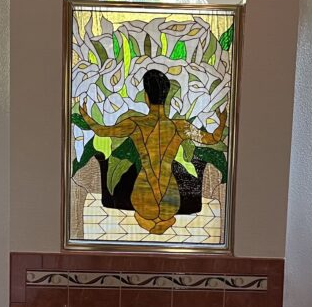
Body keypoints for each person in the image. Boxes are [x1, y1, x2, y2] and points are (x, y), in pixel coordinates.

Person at [80, 67, 227, 235]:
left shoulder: (135, 124)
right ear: (166, 97)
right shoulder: (180, 126)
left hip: (143, 197)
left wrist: (85, 116)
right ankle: (160, 222)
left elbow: (102, 131)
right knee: (158, 217)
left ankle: (151, 222)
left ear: (146, 97)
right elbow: (212, 139)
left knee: (142, 217)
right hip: (170, 201)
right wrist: (222, 122)